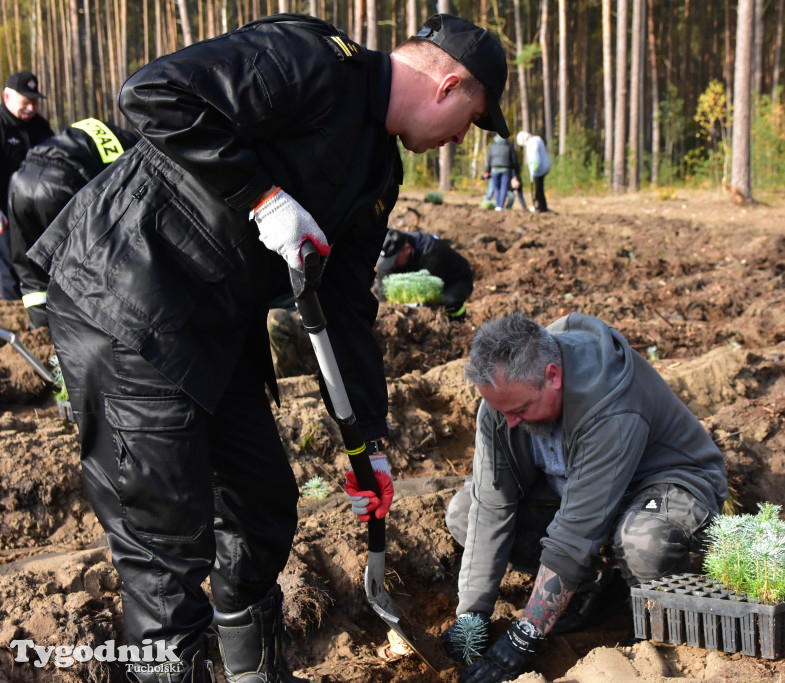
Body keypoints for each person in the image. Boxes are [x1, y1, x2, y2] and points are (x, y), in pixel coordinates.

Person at [28, 13, 508, 683]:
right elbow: (153, 94)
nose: (462, 137)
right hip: (127, 297)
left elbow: (344, 308)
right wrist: (264, 197)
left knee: (261, 506)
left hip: (212, 327)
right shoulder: (309, 59)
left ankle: (255, 672)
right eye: (469, 119)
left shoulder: (377, 170)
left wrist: (369, 443)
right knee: (167, 541)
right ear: (448, 83)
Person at [441, 312, 727, 682]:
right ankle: (598, 590)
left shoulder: (610, 403)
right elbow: (490, 507)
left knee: (644, 538)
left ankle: (658, 622)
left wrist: (525, 637)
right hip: (577, 492)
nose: (510, 422)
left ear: (553, 376)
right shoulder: (505, 403)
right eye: (500, 411)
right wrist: (472, 615)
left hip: (664, 486)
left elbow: (574, 537)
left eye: (520, 410)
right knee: (464, 511)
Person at [7, 118, 139, 328]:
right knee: (87, 265)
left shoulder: (96, 129)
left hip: (22, 180)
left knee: (30, 270)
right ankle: (87, 333)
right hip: (63, 183)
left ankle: (41, 333)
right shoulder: (137, 151)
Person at [1, 70, 53, 300]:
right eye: (25, 102)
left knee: (38, 268)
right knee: (8, 274)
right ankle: (12, 326)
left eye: (34, 102)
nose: (31, 108)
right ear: (7, 97)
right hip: (4, 216)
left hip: (35, 214)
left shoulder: (40, 127)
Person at [375, 227, 474, 318]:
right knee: (379, 287)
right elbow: (383, 286)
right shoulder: (391, 250)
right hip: (417, 276)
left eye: (394, 261)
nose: (391, 266)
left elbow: (429, 293)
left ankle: (458, 320)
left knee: (447, 302)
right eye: (388, 261)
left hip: (455, 279)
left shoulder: (430, 253)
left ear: (407, 249)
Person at [515, 130, 550, 213]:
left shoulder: (532, 143)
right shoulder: (537, 139)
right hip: (543, 167)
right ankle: (541, 206)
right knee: (539, 188)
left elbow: (535, 159)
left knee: (538, 189)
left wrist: (534, 171)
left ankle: (542, 207)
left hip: (539, 169)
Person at [484, 134, 518, 211]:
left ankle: (497, 205)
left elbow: (489, 160)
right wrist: (516, 172)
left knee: (495, 188)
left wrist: (487, 172)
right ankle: (501, 206)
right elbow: (514, 160)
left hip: (495, 169)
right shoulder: (508, 145)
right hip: (506, 169)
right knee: (504, 188)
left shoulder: (492, 146)